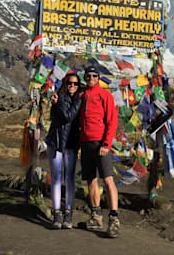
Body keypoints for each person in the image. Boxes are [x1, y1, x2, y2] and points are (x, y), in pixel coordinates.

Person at [79, 65, 120, 238]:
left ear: (98, 77)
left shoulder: (105, 95)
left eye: (94, 75)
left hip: (100, 144)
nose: (91, 78)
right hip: (85, 142)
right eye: (88, 75)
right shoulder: (81, 94)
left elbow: (112, 120)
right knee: (91, 180)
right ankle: (96, 216)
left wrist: (106, 144)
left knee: (108, 180)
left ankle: (114, 218)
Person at [45, 72, 82, 229]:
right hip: (57, 141)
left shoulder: (78, 100)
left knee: (69, 179)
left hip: (71, 143)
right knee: (56, 178)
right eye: (69, 83)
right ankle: (57, 213)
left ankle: (68, 212)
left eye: (75, 84)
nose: (72, 86)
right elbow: (67, 116)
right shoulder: (62, 99)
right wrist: (58, 102)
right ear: (65, 84)